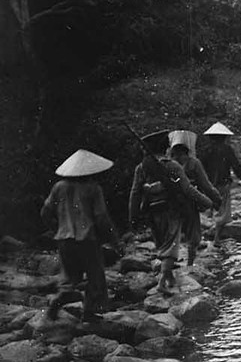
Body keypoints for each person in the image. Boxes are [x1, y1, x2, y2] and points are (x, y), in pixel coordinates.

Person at [42, 149, 121, 320]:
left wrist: (56, 228)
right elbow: (101, 217)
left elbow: (46, 212)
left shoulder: (59, 187)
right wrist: (114, 240)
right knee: (95, 276)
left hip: (64, 239)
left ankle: (60, 297)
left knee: (69, 277)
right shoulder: (93, 188)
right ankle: (89, 312)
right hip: (87, 239)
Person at [130, 131, 212, 294]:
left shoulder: (141, 168)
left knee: (162, 245)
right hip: (172, 210)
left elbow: (135, 193)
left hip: (152, 212)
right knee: (171, 248)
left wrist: (133, 217)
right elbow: (187, 189)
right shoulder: (172, 166)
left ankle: (170, 278)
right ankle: (162, 282)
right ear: (165, 148)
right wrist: (206, 201)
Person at [169, 131, 222, 265]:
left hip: (170, 203)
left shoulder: (168, 164)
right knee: (193, 235)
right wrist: (216, 199)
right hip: (189, 202)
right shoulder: (194, 163)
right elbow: (206, 185)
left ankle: (169, 265)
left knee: (172, 234)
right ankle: (190, 263)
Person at [199, 122, 241, 244]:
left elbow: (200, 167)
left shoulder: (205, 150)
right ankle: (216, 238)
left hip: (208, 184)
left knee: (210, 207)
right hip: (223, 183)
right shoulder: (227, 149)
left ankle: (205, 234)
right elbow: (236, 165)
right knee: (222, 211)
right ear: (224, 137)